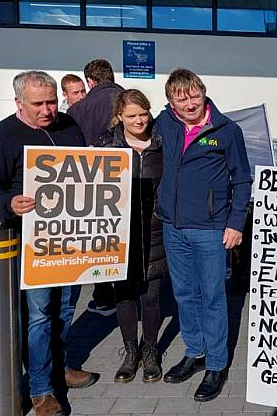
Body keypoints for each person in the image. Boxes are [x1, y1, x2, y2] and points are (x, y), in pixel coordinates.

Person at [0, 71, 99, 416]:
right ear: (19, 103)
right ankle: (41, 390)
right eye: (38, 104)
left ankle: (60, 369)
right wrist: (8, 205)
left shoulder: (68, 126)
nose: (47, 109)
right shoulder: (2, 136)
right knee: (39, 316)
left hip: (72, 240)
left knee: (64, 310)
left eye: (51, 101)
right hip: (33, 244)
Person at [155, 68, 252, 402]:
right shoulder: (163, 123)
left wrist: (236, 223)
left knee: (212, 296)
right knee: (184, 294)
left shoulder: (225, 131)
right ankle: (194, 352)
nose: (190, 103)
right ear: (171, 102)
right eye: (182, 99)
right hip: (173, 225)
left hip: (210, 228)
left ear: (203, 94)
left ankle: (216, 364)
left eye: (195, 95)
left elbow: (241, 179)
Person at [97, 90, 166, 383]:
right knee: (124, 296)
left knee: (151, 297)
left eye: (143, 114)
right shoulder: (106, 146)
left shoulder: (162, 143)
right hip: (119, 232)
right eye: (131, 116)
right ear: (119, 117)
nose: (139, 121)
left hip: (154, 230)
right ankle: (130, 351)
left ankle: (150, 351)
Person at [67, 58, 124, 316]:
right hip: (125, 180)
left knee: (98, 237)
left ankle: (103, 295)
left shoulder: (78, 110)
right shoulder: (128, 99)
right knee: (124, 235)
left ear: (90, 82)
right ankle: (127, 294)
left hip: (90, 183)